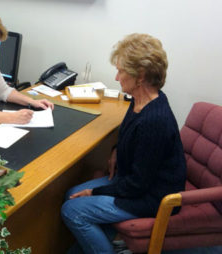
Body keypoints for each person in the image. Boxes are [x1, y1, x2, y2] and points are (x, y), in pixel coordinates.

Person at [61, 33, 186, 254]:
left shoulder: (154, 120)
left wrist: (95, 192)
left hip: (151, 197)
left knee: (72, 210)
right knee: (71, 192)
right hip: (133, 181)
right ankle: (112, 241)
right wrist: (116, 150)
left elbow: (137, 186)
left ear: (140, 76)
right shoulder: (140, 100)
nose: (116, 77)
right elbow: (133, 138)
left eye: (121, 71)